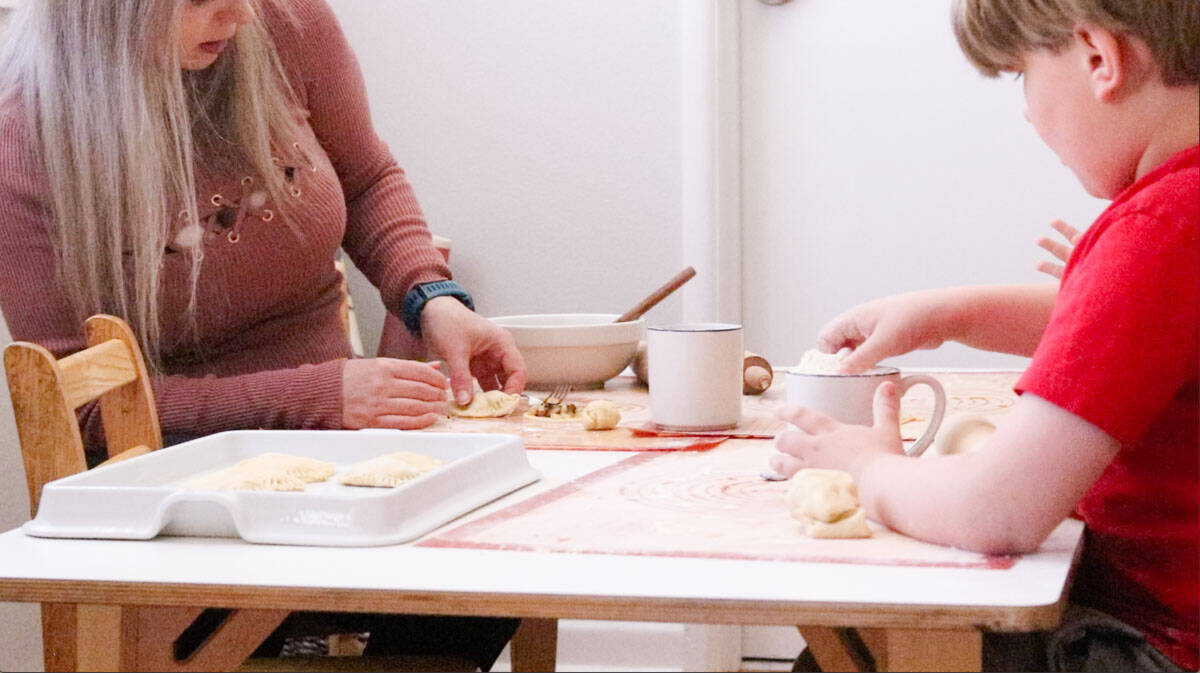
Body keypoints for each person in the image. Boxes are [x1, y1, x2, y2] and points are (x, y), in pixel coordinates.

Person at [0, 0, 523, 667]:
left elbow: (366, 177)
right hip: (179, 503)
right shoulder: (21, 136)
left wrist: (430, 295)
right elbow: (89, 409)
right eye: (198, 1)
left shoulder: (286, 20)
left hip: (340, 456)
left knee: (511, 545)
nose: (241, 13)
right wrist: (309, 398)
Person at [771, 1, 1197, 671]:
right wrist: (951, 313)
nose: (1026, 112)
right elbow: (1132, 332)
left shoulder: (1160, 228)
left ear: (1098, 59)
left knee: (854, 651)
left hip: (1156, 646)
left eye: (1019, 75)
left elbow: (997, 508)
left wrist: (866, 467)